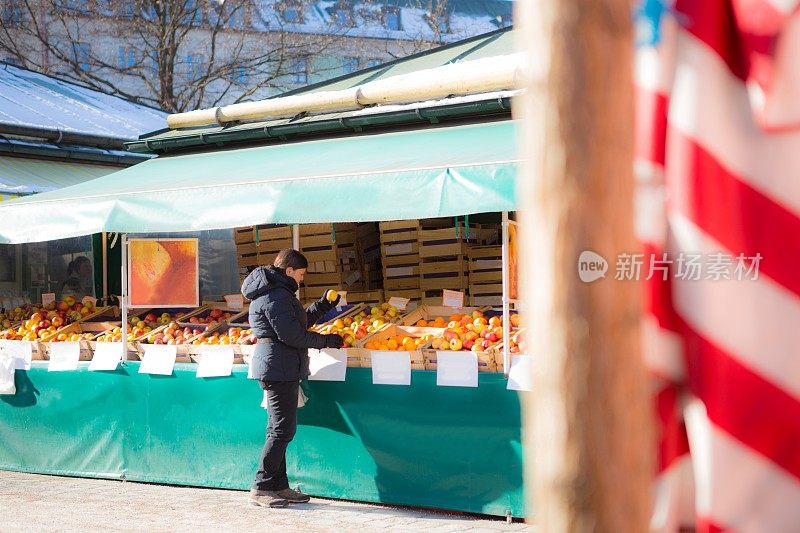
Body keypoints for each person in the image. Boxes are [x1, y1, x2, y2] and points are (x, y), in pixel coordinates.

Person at [241, 248, 344, 508]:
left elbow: (296, 324)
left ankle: (279, 485)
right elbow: (292, 336)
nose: (302, 279)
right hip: (278, 367)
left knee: (278, 428)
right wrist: (326, 341)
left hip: (281, 365)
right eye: (300, 274)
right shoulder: (275, 295)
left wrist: (322, 306)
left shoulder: (279, 293)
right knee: (282, 430)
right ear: (288, 271)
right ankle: (261, 486)